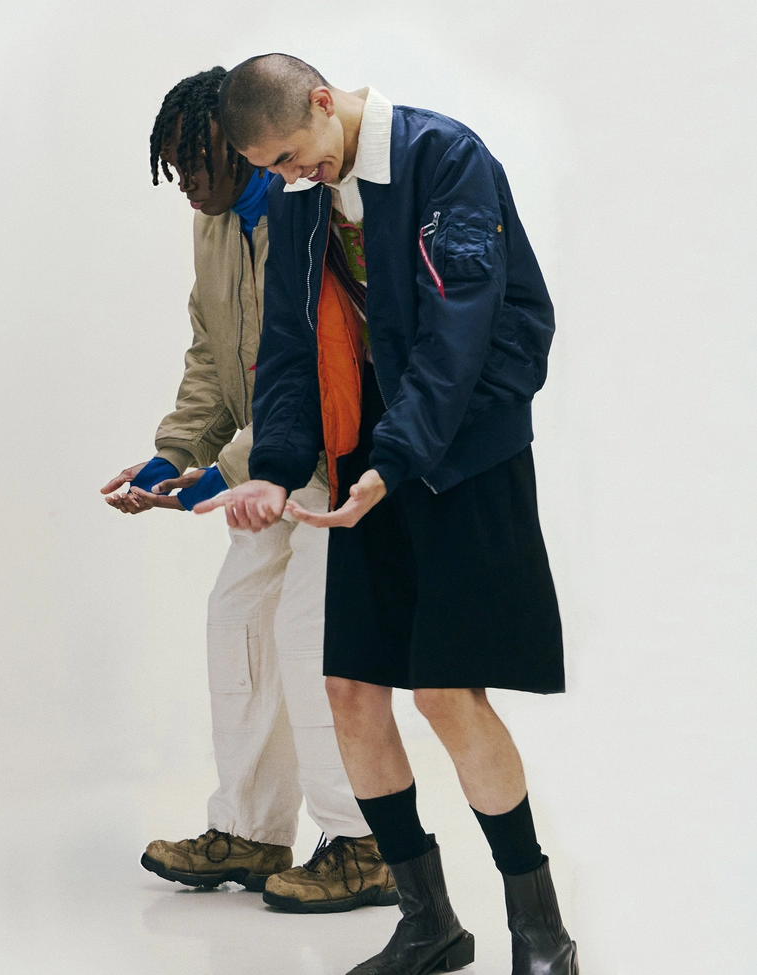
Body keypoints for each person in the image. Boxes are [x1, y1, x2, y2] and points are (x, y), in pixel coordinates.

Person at [196, 54, 579, 974]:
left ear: (323, 102)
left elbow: (460, 330)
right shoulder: (301, 196)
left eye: (292, 153)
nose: (291, 174)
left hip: (464, 451)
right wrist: (276, 471)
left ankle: (541, 931)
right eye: (272, 168)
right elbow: (289, 343)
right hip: (375, 451)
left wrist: (395, 460)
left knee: (448, 692)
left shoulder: (445, 157)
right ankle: (428, 922)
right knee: (350, 689)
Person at [100, 67, 397, 915]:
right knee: (237, 624)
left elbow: (310, 365)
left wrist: (224, 469)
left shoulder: (312, 213)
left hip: (333, 465)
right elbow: (212, 353)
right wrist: (172, 455)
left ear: (242, 147)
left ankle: (366, 842)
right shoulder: (215, 225)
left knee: (310, 640)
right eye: (174, 169)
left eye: (196, 163)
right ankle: (251, 830)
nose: (186, 185)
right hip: (258, 470)